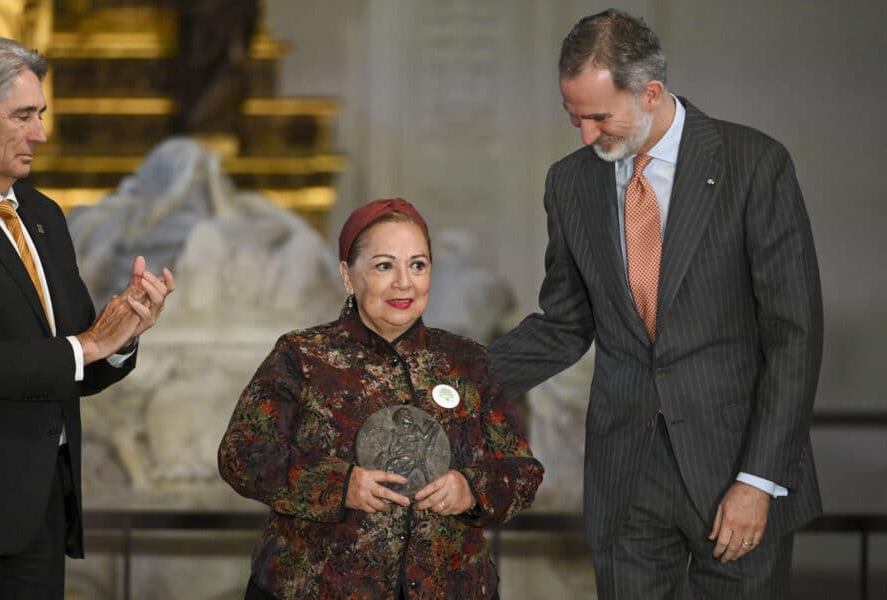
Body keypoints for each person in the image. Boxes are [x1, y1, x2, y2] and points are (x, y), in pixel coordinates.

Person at [488, 9, 823, 599]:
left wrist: (759, 480)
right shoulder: (569, 183)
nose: (587, 135)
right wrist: (457, 376)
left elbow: (794, 336)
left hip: (737, 472)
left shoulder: (754, 165)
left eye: (598, 117)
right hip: (627, 478)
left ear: (651, 92)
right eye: (575, 118)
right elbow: (565, 324)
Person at [0, 34, 174, 599]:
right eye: (23, 116)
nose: (40, 134)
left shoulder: (42, 213)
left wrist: (122, 335)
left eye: (40, 114)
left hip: (39, 514)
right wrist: (88, 344)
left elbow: (73, 363)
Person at [219, 198, 543, 599]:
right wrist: (339, 485)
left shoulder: (468, 361)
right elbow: (241, 454)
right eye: (384, 265)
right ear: (348, 275)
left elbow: (522, 470)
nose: (404, 283)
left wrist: (471, 489)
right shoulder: (302, 356)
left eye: (418, 265)